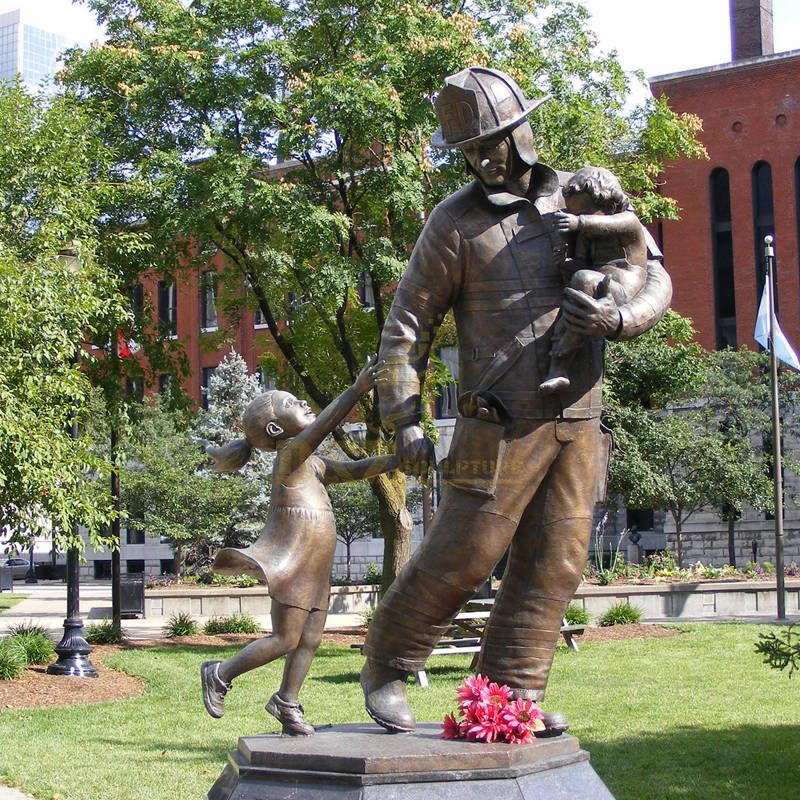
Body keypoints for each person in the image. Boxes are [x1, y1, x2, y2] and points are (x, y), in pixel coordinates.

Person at [360, 66, 671, 734]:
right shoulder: (454, 222)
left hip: (578, 419)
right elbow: (404, 329)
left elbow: (652, 273)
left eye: (496, 139)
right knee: (463, 556)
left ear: (525, 130)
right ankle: (386, 663)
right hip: (494, 425)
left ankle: (507, 701)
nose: (486, 157)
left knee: (556, 563)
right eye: (472, 149)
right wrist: (404, 420)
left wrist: (617, 319)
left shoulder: (585, 197)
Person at [200, 357, 396, 735]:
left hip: (316, 565)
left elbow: (357, 470)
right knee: (286, 638)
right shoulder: (291, 456)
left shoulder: (315, 466)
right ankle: (219, 673)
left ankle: (286, 702)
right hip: (293, 563)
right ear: (276, 429)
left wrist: (397, 461)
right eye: (293, 403)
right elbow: (320, 429)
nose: (304, 404)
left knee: (310, 638)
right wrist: (356, 390)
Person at [540, 165, 648, 394]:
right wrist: (562, 262)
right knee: (575, 296)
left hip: (622, 287)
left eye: (585, 212)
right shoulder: (585, 233)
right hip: (594, 283)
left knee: (583, 282)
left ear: (606, 202)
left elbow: (608, 225)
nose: (578, 218)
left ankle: (559, 362)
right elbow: (581, 264)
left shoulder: (626, 220)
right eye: (576, 214)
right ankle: (558, 365)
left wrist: (578, 224)